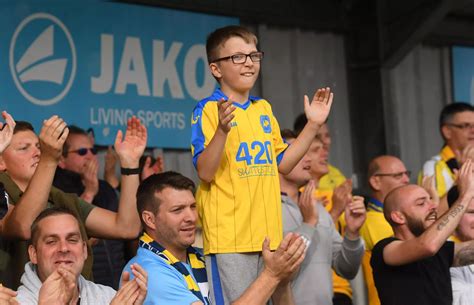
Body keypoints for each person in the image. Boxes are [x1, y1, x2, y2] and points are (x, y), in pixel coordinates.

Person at [190, 25, 333, 303]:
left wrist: (313, 124)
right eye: (237, 57)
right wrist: (222, 130)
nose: (249, 63)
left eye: (254, 56)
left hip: (269, 237)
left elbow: (284, 163)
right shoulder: (207, 109)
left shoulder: (263, 109)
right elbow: (205, 172)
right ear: (216, 69)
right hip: (231, 239)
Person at [0, 115, 146, 289]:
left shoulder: (61, 200)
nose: (38, 153)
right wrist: (50, 158)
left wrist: (130, 164)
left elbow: (127, 227)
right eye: (24, 148)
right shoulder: (3, 198)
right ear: (1, 161)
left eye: (40, 147)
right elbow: (24, 226)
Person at [124, 171, 306, 305]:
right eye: (177, 210)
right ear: (150, 219)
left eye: (193, 207)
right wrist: (271, 275)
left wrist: (281, 281)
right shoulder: (145, 271)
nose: (191, 217)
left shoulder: (204, 256)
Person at [371, 159, 474, 305]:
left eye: (430, 200)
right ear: (398, 217)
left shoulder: (441, 251)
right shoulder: (384, 249)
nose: (433, 206)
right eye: (421, 203)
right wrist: (465, 196)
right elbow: (427, 245)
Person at [279, 131, 365, 305]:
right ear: (277, 160)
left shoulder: (317, 207)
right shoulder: (267, 209)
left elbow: (346, 268)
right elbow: (279, 270)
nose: (308, 159)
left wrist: (352, 233)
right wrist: (308, 223)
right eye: (298, 153)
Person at [16, 207, 147, 305]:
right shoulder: (16, 302)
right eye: (51, 241)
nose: (64, 248)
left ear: (84, 250)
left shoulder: (108, 297)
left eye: (72, 240)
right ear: (34, 254)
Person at [54, 125, 126, 288]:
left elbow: (126, 230)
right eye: (81, 152)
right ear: (61, 160)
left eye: (93, 151)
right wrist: (89, 193)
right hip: (83, 286)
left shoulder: (105, 188)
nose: (90, 156)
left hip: (116, 284)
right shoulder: (55, 188)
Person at [359, 155, 410, 305]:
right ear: (376, 181)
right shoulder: (370, 220)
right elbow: (417, 248)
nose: (406, 180)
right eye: (398, 175)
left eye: (407, 174)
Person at [419, 102, 474, 200]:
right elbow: (434, 213)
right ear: (447, 131)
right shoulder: (433, 166)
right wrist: (463, 176)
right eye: (466, 125)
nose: (473, 130)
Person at [293, 114, 345, 191]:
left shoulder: (336, 174)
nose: (325, 142)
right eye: (317, 136)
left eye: (327, 135)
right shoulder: (295, 180)